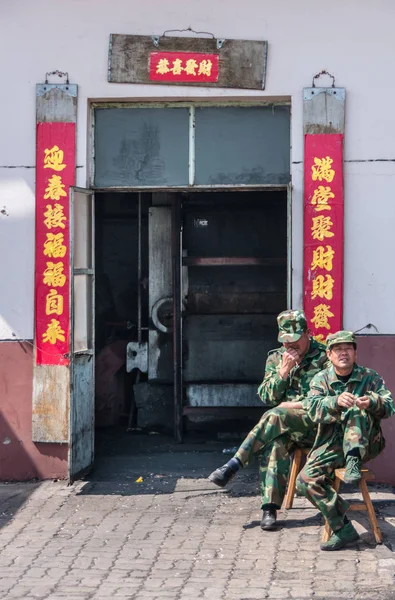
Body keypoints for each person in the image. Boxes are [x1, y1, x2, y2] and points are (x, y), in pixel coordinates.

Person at [208, 309, 328, 530]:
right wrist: (283, 373)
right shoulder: (276, 358)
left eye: (294, 340)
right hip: (285, 426)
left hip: (316, 426)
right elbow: (267, 397)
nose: (289, 346)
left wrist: (289, 406)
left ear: (308, 333)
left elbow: (326, 401)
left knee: (276, 414)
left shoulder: (324, 356)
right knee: (274, 445)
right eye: (284, 341)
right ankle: (269, 509)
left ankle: (234, 464)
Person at [296, 330, 394, 551]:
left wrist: (371, 401)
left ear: (355, 353)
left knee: (356, 410)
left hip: (367, 443)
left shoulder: (370, 377)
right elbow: (311, 409)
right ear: (329, 354)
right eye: (338, 349)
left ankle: (353, 459)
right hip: (332, 444)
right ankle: (343, 528)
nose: (344, 353)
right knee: (304, 481)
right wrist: (335, 401)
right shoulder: (321, 379)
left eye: (348, 348)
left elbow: (389, 406)